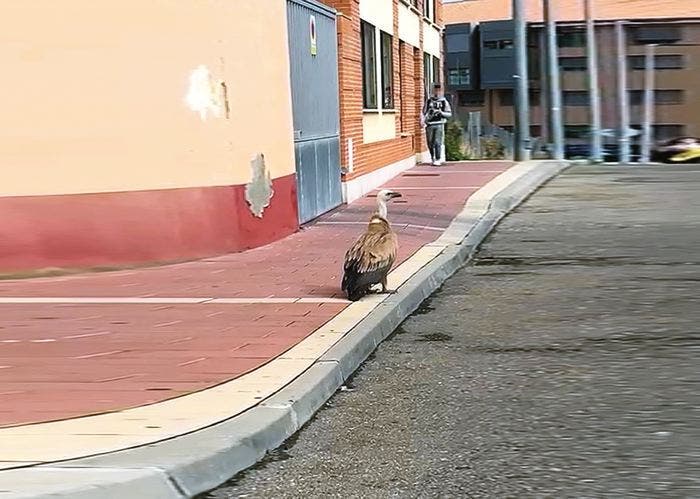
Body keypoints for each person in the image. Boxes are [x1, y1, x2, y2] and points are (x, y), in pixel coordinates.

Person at [422, 82, 452, 166]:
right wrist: (423, 120)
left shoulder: (444, 102)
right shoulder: (428, 101)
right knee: (430, 143)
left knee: (437, 142)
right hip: (430, 124)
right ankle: (433, 157)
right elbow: (423, 112)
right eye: (435, 90)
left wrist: (441, 112)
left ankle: (438, 158)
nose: (436, 92)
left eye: (438, 90)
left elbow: (449, 114)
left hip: (439, 124)